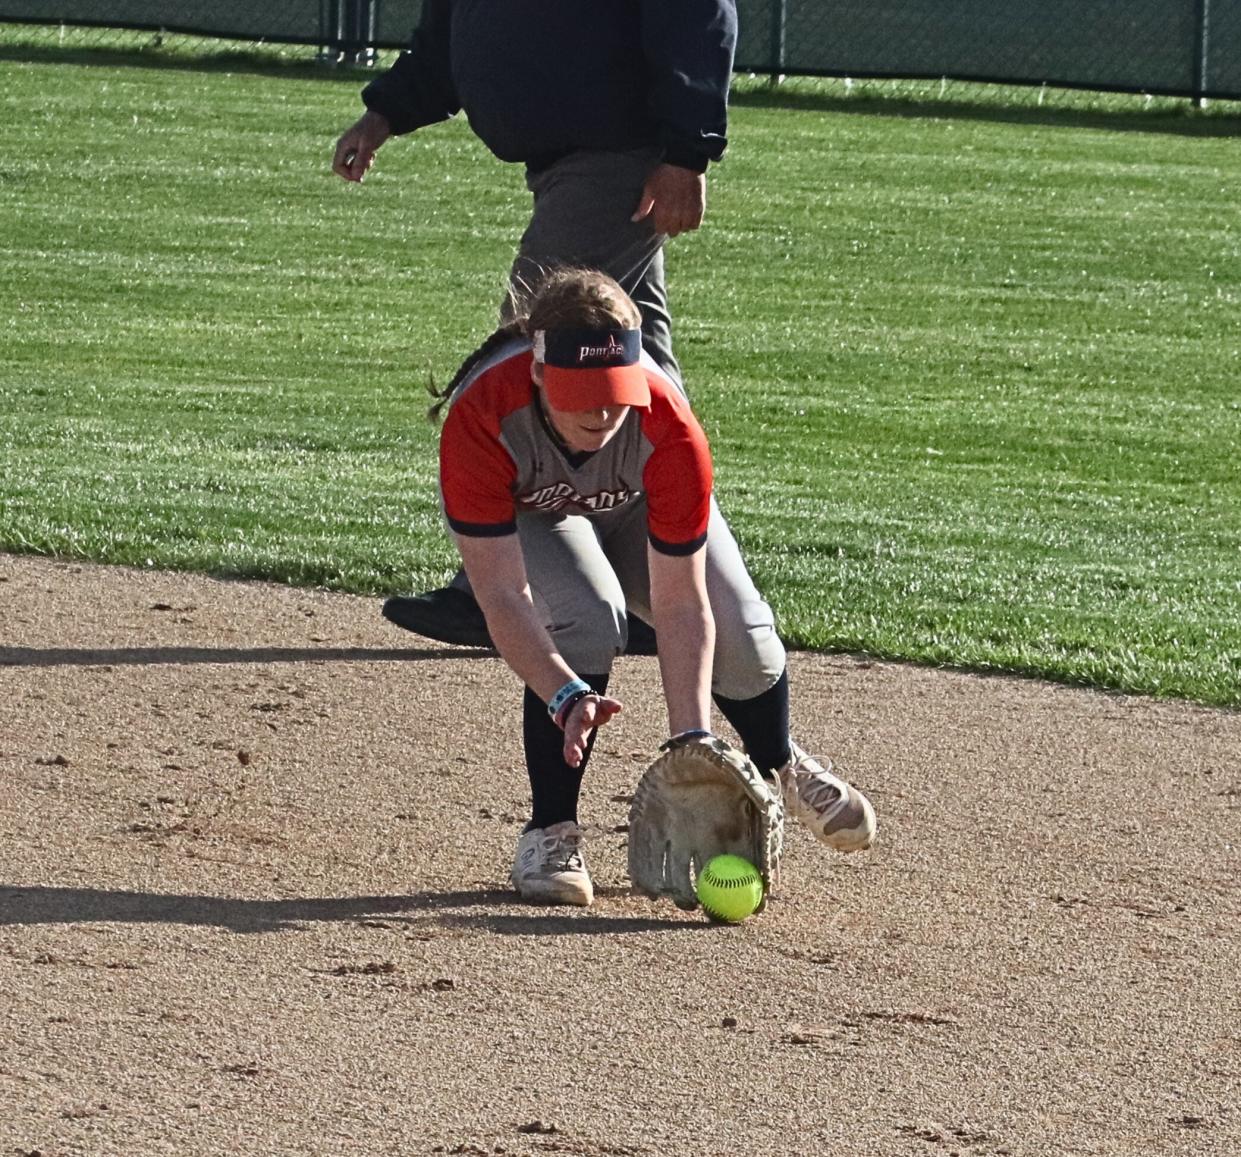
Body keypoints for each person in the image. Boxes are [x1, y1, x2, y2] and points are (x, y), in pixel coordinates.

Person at [431, 268, 876, 906]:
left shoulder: (667, 423)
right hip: (535, 514)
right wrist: (563, 694)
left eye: (615, 391)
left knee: (746, 631)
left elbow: (681, 599)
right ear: (536, 374)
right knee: (585, 617)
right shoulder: (484, 416)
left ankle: (781, 759)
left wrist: (693, 742)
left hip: (635, 506)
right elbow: (503, 595)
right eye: (580, 392)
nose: (602, 411)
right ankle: (550, 831)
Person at [332, 0, 738, 652]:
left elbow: (697, 14)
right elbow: (453, 33)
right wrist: (383, 114)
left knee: (540, 342)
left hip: (613, 158)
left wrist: (689, 152)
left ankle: (503, 586)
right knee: (637, 363)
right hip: (574, 162)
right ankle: (662, 583)